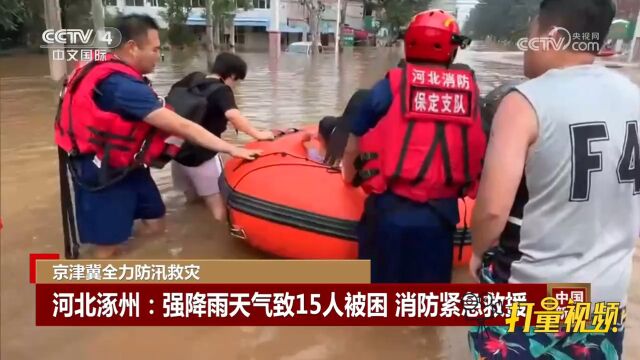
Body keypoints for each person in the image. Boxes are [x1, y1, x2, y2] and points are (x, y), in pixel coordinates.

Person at [468, 0, 639, 357]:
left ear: (551, 35)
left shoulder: (525, 103)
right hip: (604, 301)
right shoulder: (634, 99)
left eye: (532, 33)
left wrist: (478, 252)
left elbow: (492, 212)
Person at [55, 14, 261, 259]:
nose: (159, 56)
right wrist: (232, 149)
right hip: (102, 170)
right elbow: (182, 126)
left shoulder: (109, 69)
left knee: (155, 221)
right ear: (132, 47)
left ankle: (140, 255)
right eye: (154, 49)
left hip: (129, 164)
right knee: (107, 247)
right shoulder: (121, 85)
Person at [342, 9, 486, 283]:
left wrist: (349, 176)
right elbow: (479, 147)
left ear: (408, 44)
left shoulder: (390, 87)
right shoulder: (469, 93)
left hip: (388, 212)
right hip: (440, 218)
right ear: (451, 51)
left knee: (378, 300)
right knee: (426, 306)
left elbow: (354, 139)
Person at [170, 53, 274, 222]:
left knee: (192, 201)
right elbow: (233, 116)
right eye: (237, 80)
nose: (235, 85)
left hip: (177, 153)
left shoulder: (191, 79)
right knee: (219, 210)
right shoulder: (221, 90)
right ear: (232, 75)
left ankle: (190, 235)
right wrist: (259, 134)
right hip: (202, 157)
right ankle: (215, 241)